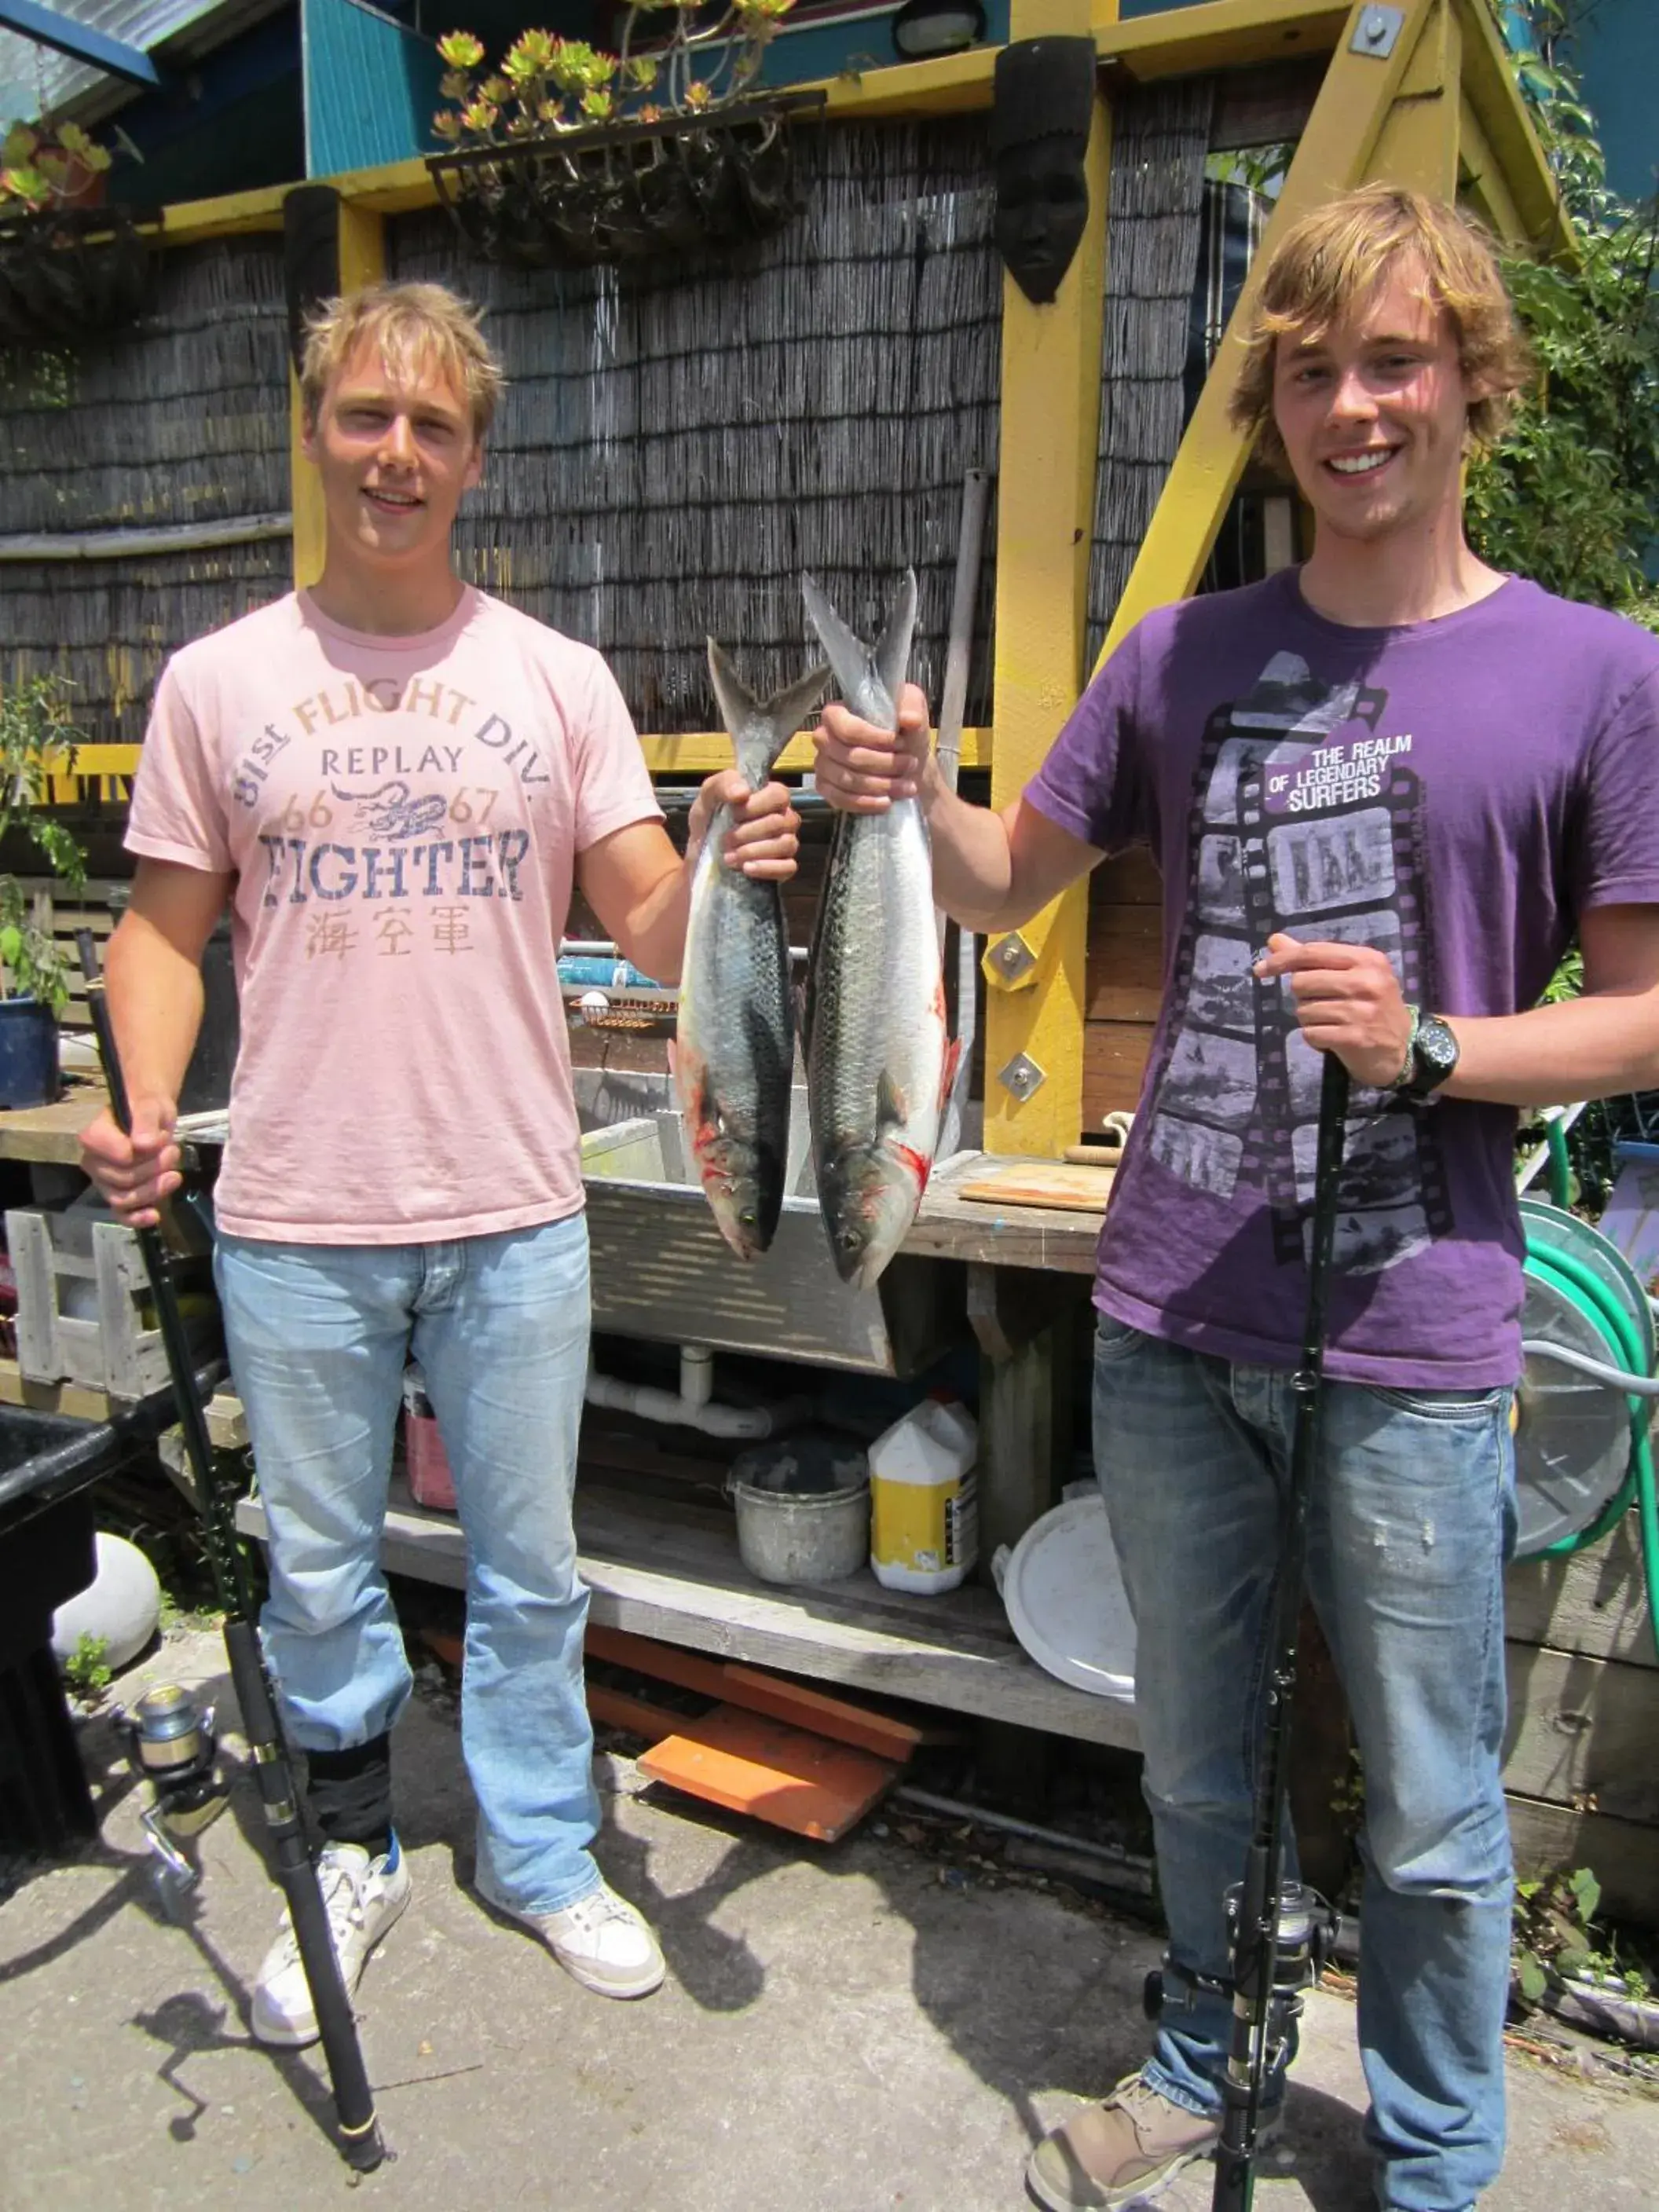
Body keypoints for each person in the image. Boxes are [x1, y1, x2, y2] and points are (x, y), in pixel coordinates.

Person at [813, 184, 1659, 2212]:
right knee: (1190, 1757)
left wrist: (1438, 1047)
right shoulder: (1184, 652)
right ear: (1274, 404)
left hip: (1421, 1330)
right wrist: (905, 795)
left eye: (1393, 362)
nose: (1352, 404)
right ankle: (1203, 2056)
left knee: (1442, 1805)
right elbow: (1007, 880)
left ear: (1470, 380)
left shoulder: (1595, 672)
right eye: (1311, 370)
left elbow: (1642, 1021)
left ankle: (1443, 2156)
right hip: (1174, 1310)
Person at [81, 280, 800, 2046]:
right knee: (316, 1564)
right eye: (363, 416)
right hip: (292, 1215)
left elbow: (643, 917)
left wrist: (722, 856)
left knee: (533, 1565)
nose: (395, 452)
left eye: (433, 426)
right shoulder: (218, 682)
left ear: (476, 458)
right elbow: (160, 936)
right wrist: (140, 1108)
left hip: (511, 1211)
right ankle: (349, 1841)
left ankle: (547, 1847)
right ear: (317, 429)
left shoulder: (551, 678)